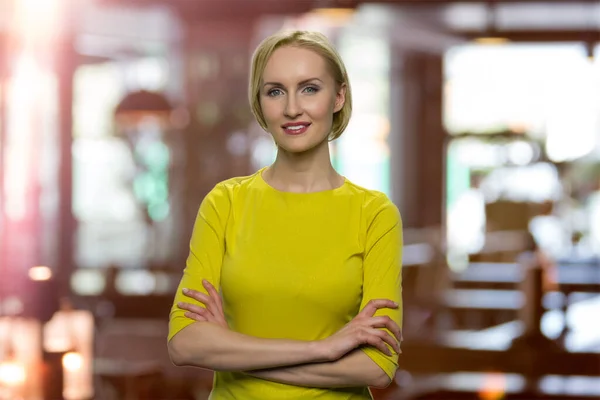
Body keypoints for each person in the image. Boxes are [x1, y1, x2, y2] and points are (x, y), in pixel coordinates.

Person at [167, 30, 403, 400]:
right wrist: (324, 349)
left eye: (310, 88)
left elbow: (377, 366)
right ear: (260, 103)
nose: (292, 108)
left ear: (339, 96)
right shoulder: (225, 203)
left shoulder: (373, 214)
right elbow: (184, 344)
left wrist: (229, 347)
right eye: (275, 91)